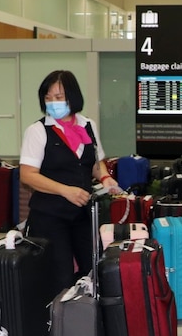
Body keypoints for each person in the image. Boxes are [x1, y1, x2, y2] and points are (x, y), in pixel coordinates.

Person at [19, 70, 120, 290]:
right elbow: (27, 175)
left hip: (83, 214)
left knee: (92, 271)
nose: (53, 103)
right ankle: (56, 322)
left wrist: (105, 178)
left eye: (59, 97)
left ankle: (84, 319)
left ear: (73, 96)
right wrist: (65, 190)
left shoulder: (88, 125)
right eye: (48, 98)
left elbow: (94, 161)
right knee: (60, 276)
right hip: (50, 216)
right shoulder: (37, 131)